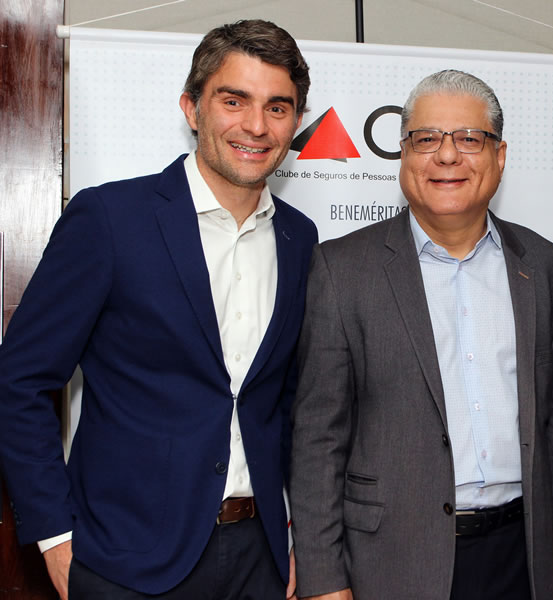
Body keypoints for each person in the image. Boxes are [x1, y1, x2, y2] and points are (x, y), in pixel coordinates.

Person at [0, 19, 317, 599]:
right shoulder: (110, 219)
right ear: (192, 108)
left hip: (262, 560)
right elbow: (19, 380)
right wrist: (54, 537)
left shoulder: (300, 238)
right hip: (124, 562)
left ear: (296, 122)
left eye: (277, 107)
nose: (256, 125)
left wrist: (297, 536)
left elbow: (289, 403)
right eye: (233, 100)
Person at [290, 69, 553, 600]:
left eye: (469, 139)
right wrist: (323, 579)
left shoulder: (546, 266)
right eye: (426, 139)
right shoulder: (341, 270)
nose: (447, 156)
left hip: (521, 556)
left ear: (500, 156)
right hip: (390, 561)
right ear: (403, 154)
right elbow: (317, 439)